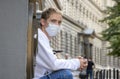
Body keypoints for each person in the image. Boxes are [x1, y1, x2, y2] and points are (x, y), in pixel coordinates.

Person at [33, 7, 88, 79]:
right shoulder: (39, 37)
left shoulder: (44, 38)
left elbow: (54, 64)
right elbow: (54, 64)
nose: (57, 25)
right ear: (43, 22)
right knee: (66, 74)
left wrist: (76, 62)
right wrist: (76, 63)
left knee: (65, 72)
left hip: (42, 75)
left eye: (59, 22)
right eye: (53, 21)